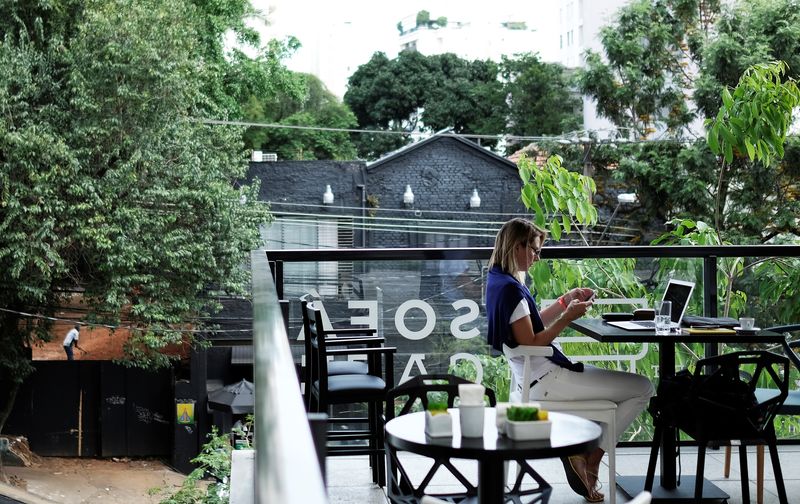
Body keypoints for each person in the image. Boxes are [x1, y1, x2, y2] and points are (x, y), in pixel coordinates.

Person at [486, 218, 654, 503]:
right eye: (535, 250)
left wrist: (565, 301)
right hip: (549, 381)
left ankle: (585, 454)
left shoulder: (500, 280)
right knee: (643, 387)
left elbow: (531, 324)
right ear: (517, 247)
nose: (538, 257)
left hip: (532, 379)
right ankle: (591, 458)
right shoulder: (511, 289)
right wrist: (568, 317)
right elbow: (534, 342)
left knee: (628, 390)